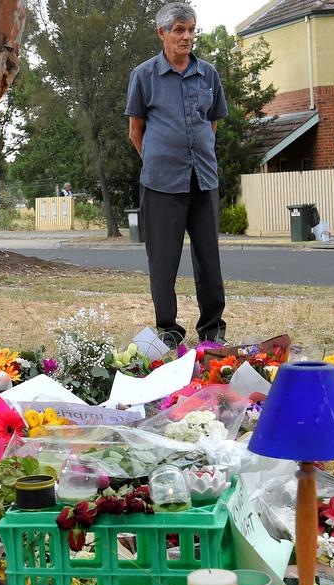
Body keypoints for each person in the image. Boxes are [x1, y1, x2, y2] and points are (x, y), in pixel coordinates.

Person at [126, 2, 229, 348]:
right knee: (163, 261)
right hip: (160, 184)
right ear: (162, 33)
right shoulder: (143, 76)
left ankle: (212, 330)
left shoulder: (209, 74)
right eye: (179, 31)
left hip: (203, 179)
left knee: (208, 258)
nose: (186, 37)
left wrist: (195, 154)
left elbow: (211, 125)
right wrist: (158, 160)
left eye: (191, 30)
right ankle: (168, 330)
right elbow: (135, 132)